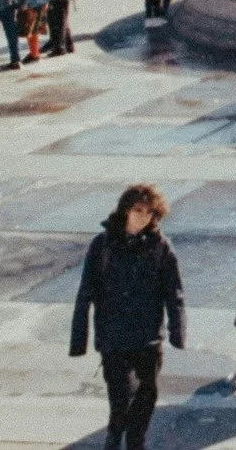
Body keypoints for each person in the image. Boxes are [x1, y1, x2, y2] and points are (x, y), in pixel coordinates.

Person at [71, 184, 186, 450]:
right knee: (122, 399)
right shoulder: (103, 245)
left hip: (148, 339)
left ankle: (136, 444)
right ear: (125, 210)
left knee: (146, 399)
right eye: (137, 210)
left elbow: (174, 292)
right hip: (115, 339)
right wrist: (79, 339)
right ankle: (113, 439)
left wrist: (178, 329)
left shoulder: (160, 247)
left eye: (149, 212)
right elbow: (85, 292)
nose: (143, 216)